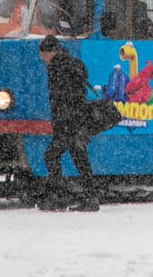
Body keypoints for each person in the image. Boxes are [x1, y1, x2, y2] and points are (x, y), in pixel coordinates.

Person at [36, 35, 98, 212]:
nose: (43, 59)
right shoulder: (74, 63)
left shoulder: (57, 67)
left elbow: (61, 99)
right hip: (76, 120)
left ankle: (59, 196)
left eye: (44, 55)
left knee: (52, 155)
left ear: (52, 51)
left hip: (67, 123)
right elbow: (76, 93)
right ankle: (89, 197)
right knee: (80, 159)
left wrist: (62, 122)